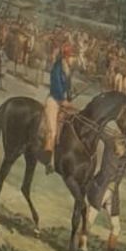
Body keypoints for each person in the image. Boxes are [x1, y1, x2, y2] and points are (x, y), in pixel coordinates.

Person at [42, 39, 74, 167]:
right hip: (54, 101)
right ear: (66, 56)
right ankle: (48, 160)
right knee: (53, 132)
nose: (73, 59)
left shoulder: (67, 69)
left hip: (63, 102)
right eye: (71, 56)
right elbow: (56, 86)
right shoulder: (57, 68)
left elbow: (67, 87)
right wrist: (63, 99)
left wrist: (70, 96)